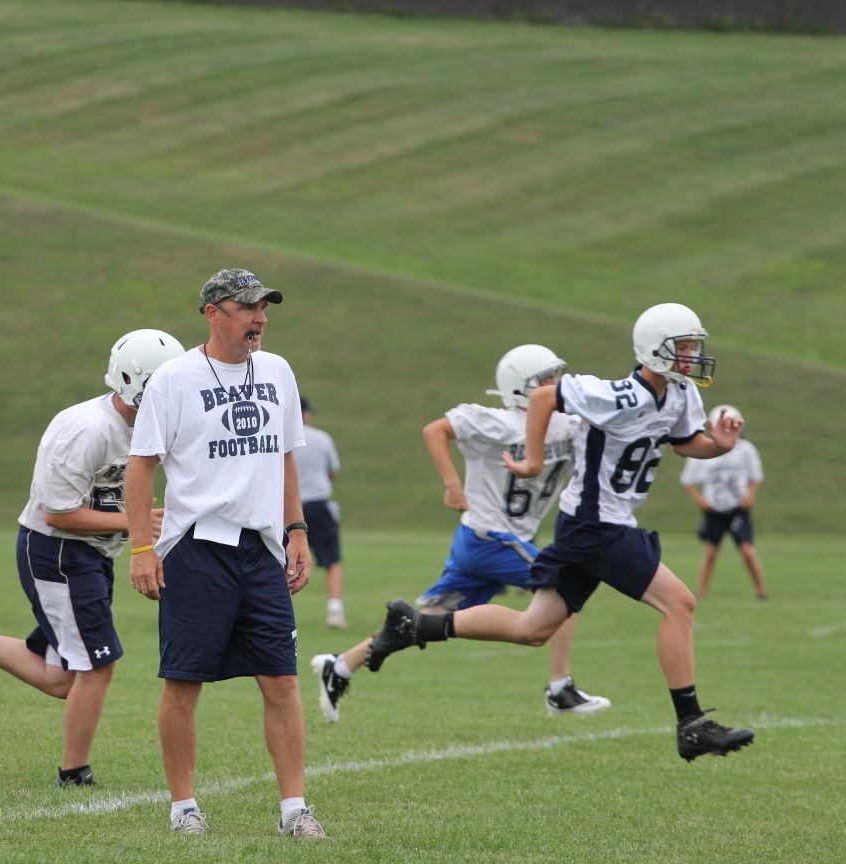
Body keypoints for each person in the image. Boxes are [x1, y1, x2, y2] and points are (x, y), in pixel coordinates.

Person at [366, 303, 755, 762]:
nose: (693, 356)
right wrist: (532, 461)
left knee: (533, 628)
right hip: (596, 525)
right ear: (656, 349)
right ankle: (691, 725)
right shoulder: (615, 394)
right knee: (680, 604)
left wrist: (719, 447)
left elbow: (685, 443)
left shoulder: (680, 394)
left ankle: (415, 625)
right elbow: (541, 398)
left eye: (694, 346)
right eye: (684, 347)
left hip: (597, 524)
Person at [0, 329, 183, 787]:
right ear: (131, 380)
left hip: (89, 555)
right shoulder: (86, 429)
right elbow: (58, 513)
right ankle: (74, 773)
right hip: (57, 552)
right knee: (97, 665)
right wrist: (135, 525)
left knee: (62, 678)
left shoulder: (149, 424)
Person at [125, 268, 325, 838]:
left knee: (282, 680)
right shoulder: (174, 379)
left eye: (264, 308)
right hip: (195, 549)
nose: (260, 318)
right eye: (247, 307)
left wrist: (297, 530)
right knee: (184, 682)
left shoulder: (279, 371)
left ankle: (294, 811)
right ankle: (183, 807)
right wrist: (142, 548)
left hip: (260, 550)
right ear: (214, 313)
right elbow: (142, 469)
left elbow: (286, 456)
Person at [311, 345, 610, 723]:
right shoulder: (497, 422)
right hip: (490, 536)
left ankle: (340, 666)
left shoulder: (566, 424)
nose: (556, 385)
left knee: (421, 621)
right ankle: (559, 688)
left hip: (490, 539)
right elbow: (435, 430)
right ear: (521, 388)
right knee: (566, 584)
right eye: (546, 380)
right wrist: (453, 485)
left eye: (556, 377)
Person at [679, 405, 766, 600]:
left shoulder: (745, 450)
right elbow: (688, 480)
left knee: (747, 551)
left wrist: (750, 495)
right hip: (714, 508)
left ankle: (761, 591)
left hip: (737, 508)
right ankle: (701, 592)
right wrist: (699, 499)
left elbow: (755, 476)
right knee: (710, 553)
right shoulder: (704, 449)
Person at [294, 395, 347, 629]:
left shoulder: (281, 437)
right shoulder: (322, 438)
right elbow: (332, 471)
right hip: (318, 504)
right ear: (304, 414)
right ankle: (335, 610)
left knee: (283, 561)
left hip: (289, 506)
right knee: (332, 560)